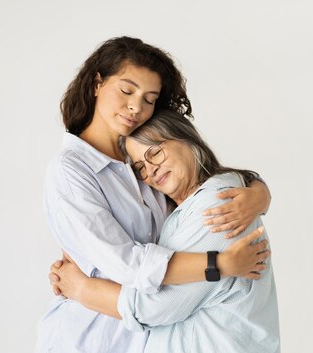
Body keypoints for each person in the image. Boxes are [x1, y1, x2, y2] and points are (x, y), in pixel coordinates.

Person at [36, 37, 272, 353]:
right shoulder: (72, 170)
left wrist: (259, 193)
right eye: (126, 90)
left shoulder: (141, 165)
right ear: (97, 83)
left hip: (148, 336)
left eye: (149, 99)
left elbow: (201, 187)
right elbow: (128, 264)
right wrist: (219, 264)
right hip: (91, 338)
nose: (136, 106)